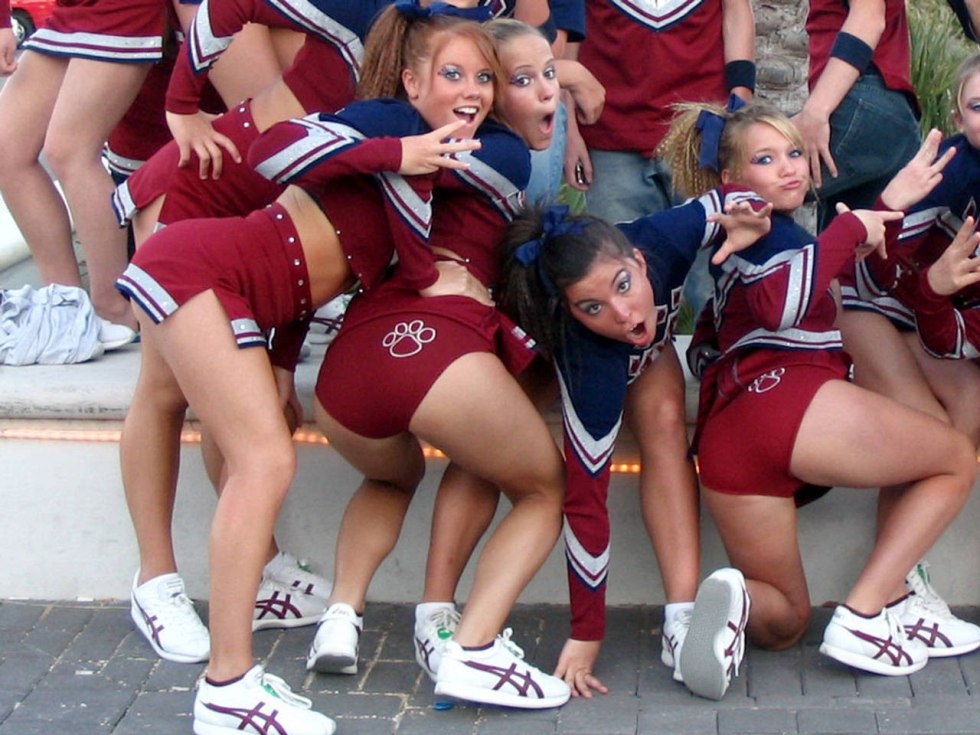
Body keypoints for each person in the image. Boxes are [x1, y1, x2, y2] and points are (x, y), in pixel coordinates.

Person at [115, 10, 496, 732]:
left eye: (484, 78)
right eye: (453, 74)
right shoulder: (380, 121)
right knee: (256, 452)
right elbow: (282, 148)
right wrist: (181, 104)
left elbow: (383, 267)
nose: (471, 89)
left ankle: (236, 648)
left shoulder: (426, 174)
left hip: (235, 285)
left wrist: (448, 280)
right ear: (413, 78)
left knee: (261, 445)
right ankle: (220, 678)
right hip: (194, 246)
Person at [651, 100, 977, 699]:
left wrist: (889, 206)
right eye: (766, 159)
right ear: (733, 181)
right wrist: (853, 225)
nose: (789, 169)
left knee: (787, 621)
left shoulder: (757, 237)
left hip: (728, 441)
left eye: (794, 153)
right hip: (788, 403)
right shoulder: (758, 229)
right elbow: (785, 302)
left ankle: (739, 599)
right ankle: (867, 610)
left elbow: (720, 336)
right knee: (955, 457)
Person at [300, 16, 571, 710]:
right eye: (518, 79)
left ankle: (343, 614)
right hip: (435, 345)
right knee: (543, 489)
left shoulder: (438, 146)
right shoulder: (495, 150)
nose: (548, 90)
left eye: (550, 73)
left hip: (350, 371)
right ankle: (471, 648)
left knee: (404, 475)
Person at [491, 180, 771, 699]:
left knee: (666, 419)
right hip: (572, 361)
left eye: (623, 285)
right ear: (573, 314)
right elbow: (586, 500)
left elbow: (734, 194)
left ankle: (683, 621)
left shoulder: (663, 238)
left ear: (640, 262)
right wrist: (585, 632)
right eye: (592, 306)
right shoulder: (588, 359)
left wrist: (750, 216)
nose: (619, 312)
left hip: (651, 350)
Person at [563, 0, 754, 315]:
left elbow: (736, 12)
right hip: (609, 135)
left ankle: (725, 360)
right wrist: (569, 130)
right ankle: (640, 364)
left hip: (700, 134)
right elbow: (570, 30)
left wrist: (739, 106)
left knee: (715, 281)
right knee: (625, 280)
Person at [794, 0, 921, 232]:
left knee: (738, 183)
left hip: (860, 101)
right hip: (895, 116)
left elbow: (869, 18)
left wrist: (817, 109)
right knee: (849, 253)